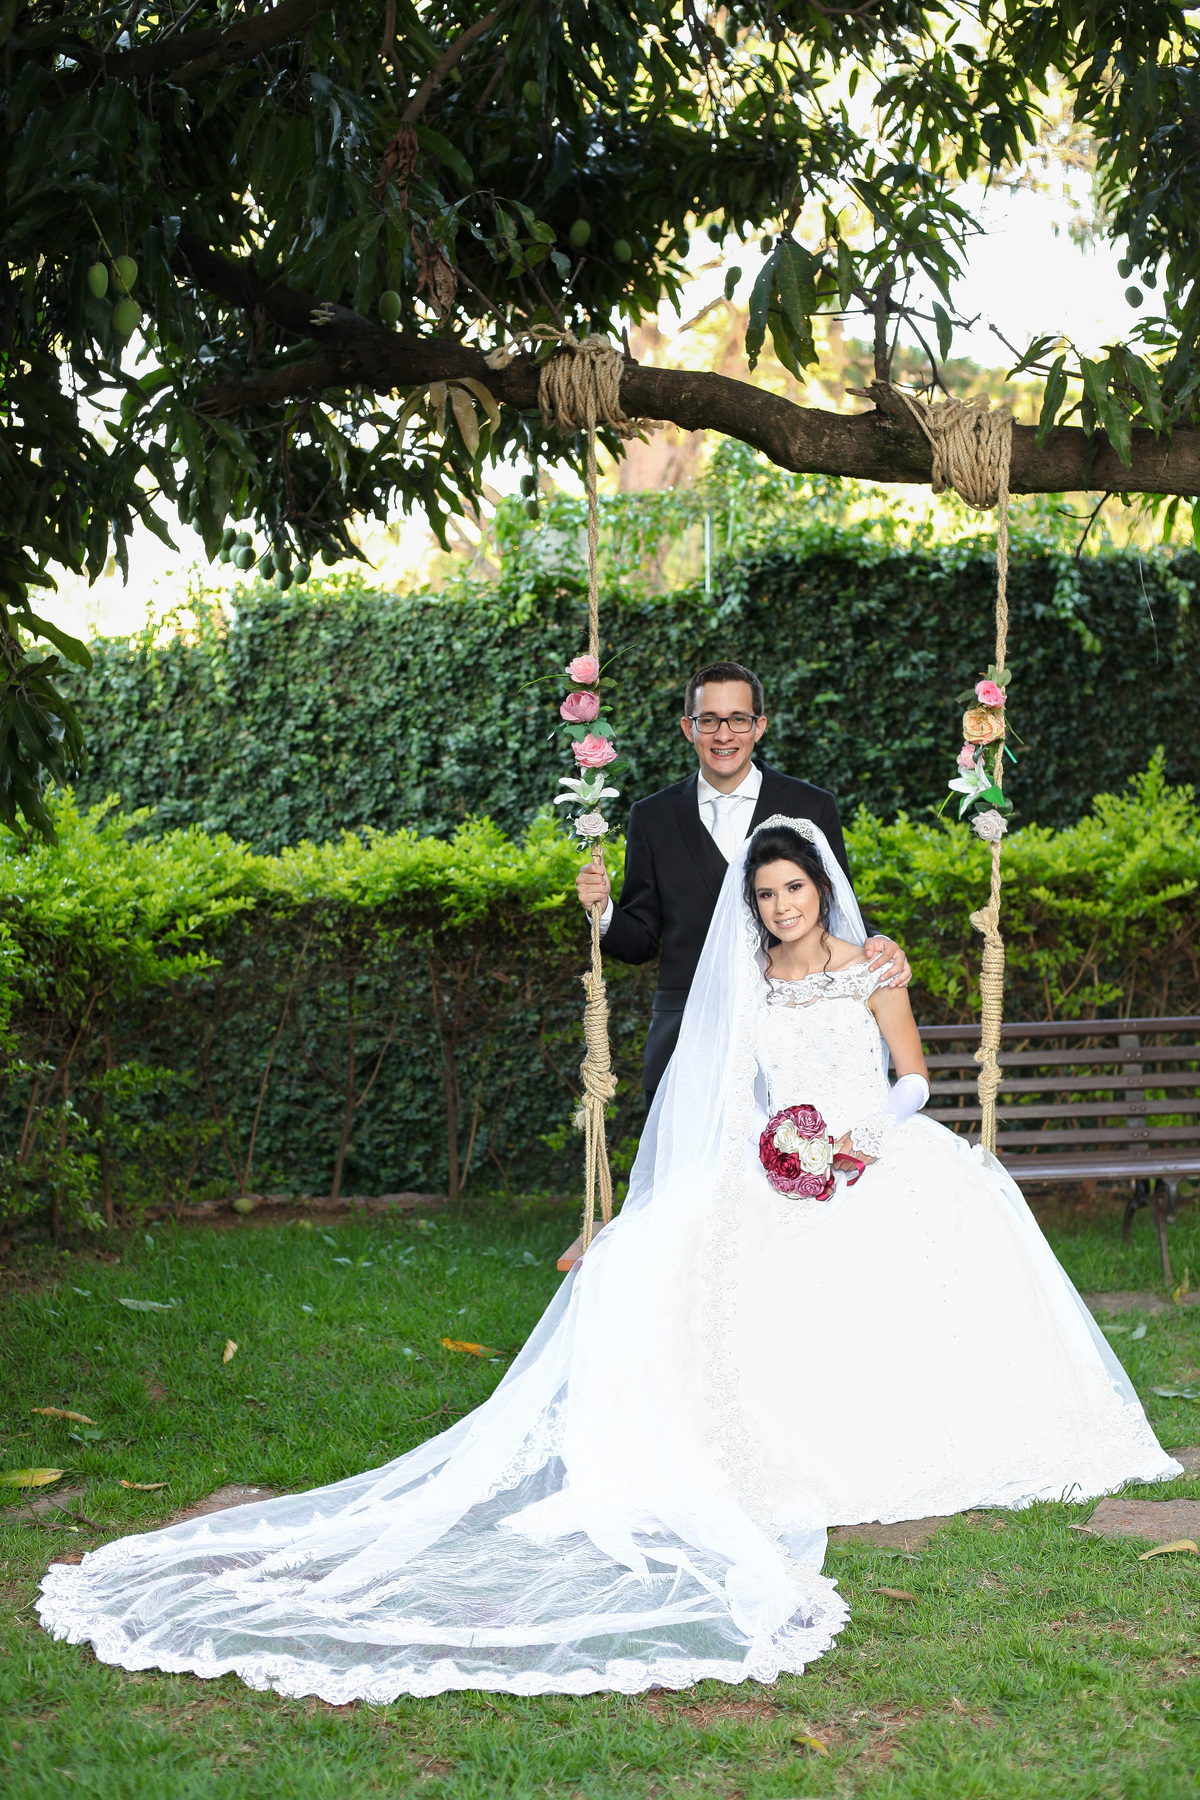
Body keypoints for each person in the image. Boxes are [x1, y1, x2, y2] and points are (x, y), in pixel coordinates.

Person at [38, 816, 1180, 1703]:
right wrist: (768, 1151)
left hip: (872, 1146)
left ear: (822, 891)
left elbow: (915, 1077)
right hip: (781, 1153)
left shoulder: (876, 965)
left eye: (795, 889)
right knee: (668, 1251)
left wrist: (861, 1140)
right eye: (766, 894)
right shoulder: (752, 980)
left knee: (934, 1225)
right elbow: (727, 1092)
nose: (782, 907)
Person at [575, 660, 911, 1103]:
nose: (723, 734)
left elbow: (834, 908)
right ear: (688, 728)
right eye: (708, 720)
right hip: (687, 1041)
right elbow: (639, 941)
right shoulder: (652, 817)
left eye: (738, 719)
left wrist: (878, 943)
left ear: (759, 726)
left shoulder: (810, 805)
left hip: (789, 1050)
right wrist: (604, 911)